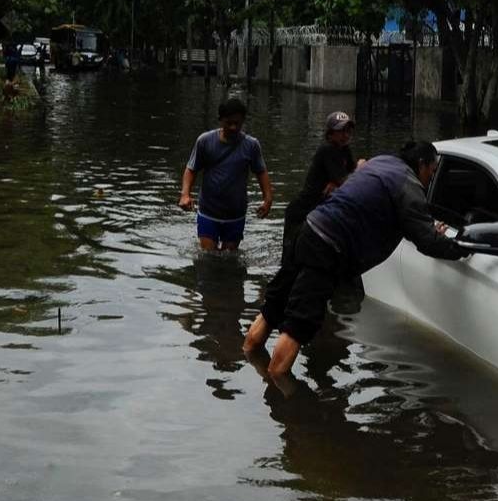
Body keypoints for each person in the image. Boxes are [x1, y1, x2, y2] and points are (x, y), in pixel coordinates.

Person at [246, 141, 465, 377]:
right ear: (421, 164)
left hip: (310, 228)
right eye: (431, 172)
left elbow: (387, 212)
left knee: (274, 306)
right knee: (300, 324)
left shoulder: (380, 162)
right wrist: (460, 247)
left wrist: (428, 232)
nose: (430, 179)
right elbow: (427, 242)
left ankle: (250, 357)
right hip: (329, 246)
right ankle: (275, 392)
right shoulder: (409, 185)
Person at [179, 96, 273, 252]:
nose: (234, 127)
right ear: (220, 120)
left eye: (238, 123)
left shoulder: (251, 145)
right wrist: (185, 194)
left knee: (229, 257)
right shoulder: (205, 141)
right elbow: (191, 169)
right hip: (209, 211)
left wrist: (268, 199)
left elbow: (261, 172)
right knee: (208, 258)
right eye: (229, 123)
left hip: (235, 213)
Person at [281, 111, 361, 266]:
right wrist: (357, 170)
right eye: (341, 131)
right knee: (290, 260)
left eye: (348, 131)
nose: (345, 135)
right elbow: (346, 180)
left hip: (317, 212)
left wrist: (339, 180)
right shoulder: (328, 149)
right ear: (330, 134)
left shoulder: (344, 149)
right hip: (301, 212)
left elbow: (349, 173)